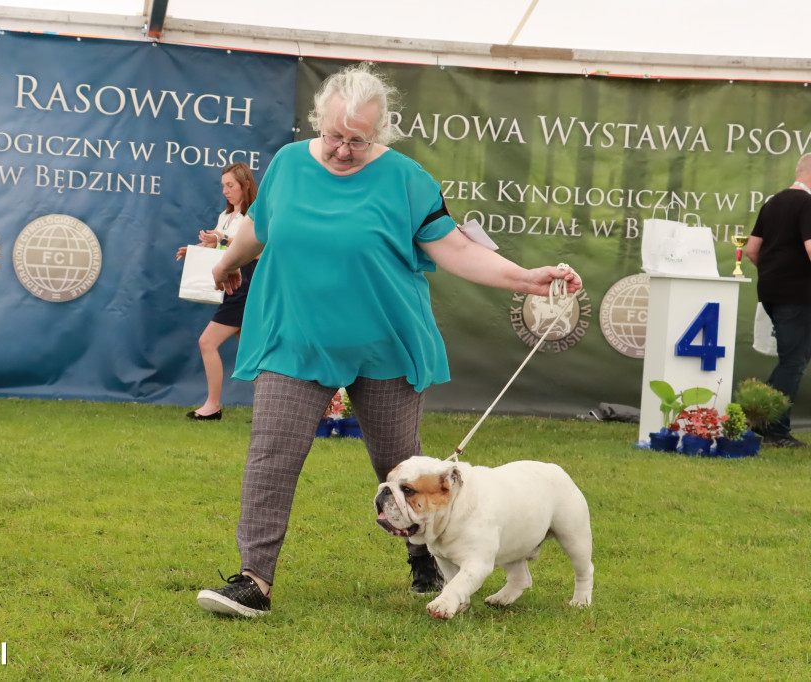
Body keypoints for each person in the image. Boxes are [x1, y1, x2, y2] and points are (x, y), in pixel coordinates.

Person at [195, 62, 581, 618]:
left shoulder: (407, 179)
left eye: (358, 140)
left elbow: (457, 250)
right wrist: (227, 263)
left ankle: (427, 555)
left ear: (381, 133)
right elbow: (260, 224)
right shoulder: (285, 166)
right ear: (316, 123)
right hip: (295, 337)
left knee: (400, 466)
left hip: (387, 342)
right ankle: (254, 579)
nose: (342, 150)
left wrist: (526, 278)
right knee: (270, 459)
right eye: (333, 136)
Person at [176, 162, 258, 421]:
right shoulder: (225, 217)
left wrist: (220, 240)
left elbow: (255, 248)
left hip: (246, 285)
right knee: (251, 351)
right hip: (232, 285)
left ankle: (212, 406)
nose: (225, 191)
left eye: (230, 185)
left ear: (245, 185)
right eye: (223, 186)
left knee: (207, 342)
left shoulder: (254, 216)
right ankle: (269, 412)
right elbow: (223, 251)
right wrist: (196, 250)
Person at [744, 152, 811, 448]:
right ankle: (776, 431)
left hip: (770, 292)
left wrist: (774, 274)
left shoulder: (772, 202)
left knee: (792, 359)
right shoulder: (808, 204)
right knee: (793, 362)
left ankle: (760, 420)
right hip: (799, 295)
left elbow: (751, 249)